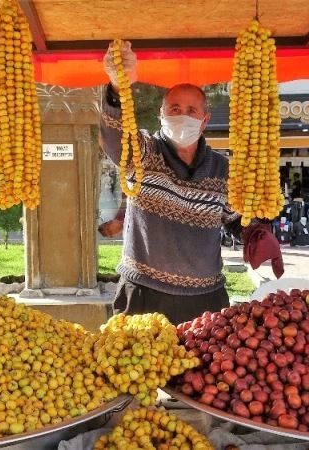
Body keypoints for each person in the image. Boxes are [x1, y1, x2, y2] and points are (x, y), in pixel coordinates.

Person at [99, 41, 233, 325]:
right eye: (173, 108)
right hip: (143, 295)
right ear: (161, 115)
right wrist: (117, 85)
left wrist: (257, 232)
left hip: (205, 300)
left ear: (205, 119)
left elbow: (235, 218)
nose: (181, 115)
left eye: (191, 110)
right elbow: (114, 139)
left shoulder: (223, 170)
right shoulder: (145, 152)